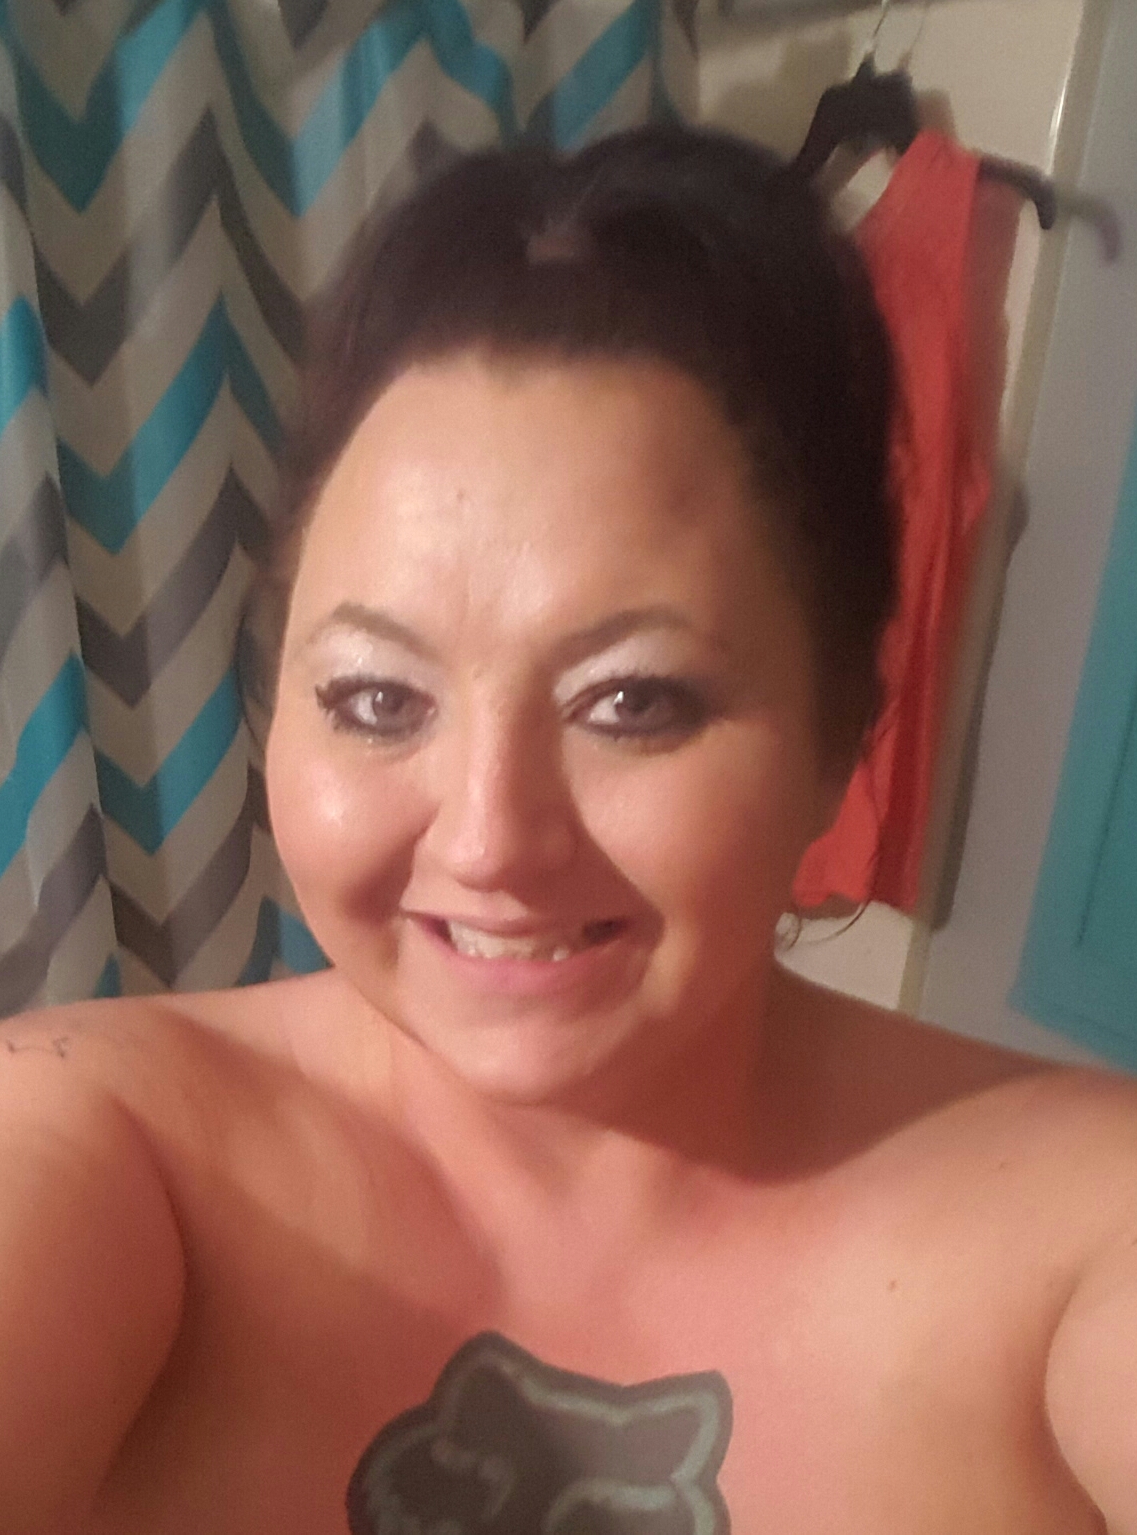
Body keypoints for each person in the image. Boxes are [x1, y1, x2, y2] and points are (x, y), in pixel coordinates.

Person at [1, 124, 1134, 1535]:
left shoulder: (1086, 1234)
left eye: (633, 702)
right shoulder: (97, 1144)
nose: (489, 840)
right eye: (376, 698)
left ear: (844, 733)